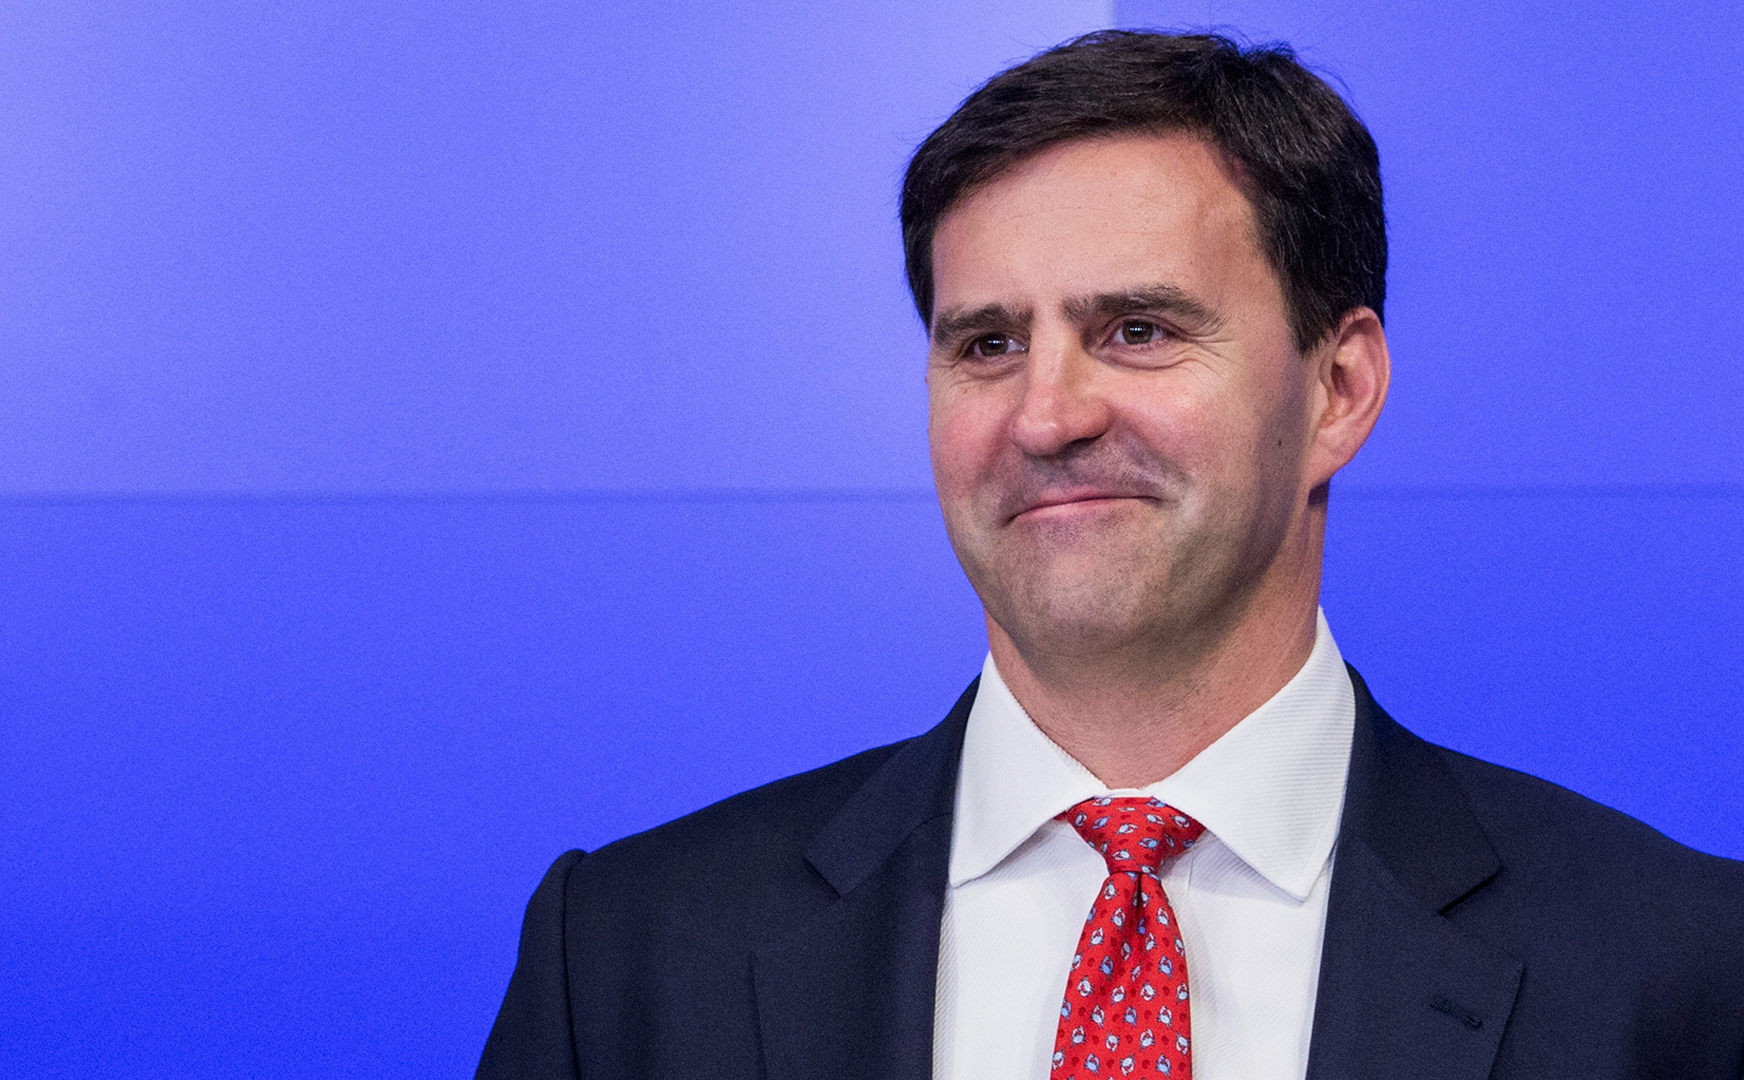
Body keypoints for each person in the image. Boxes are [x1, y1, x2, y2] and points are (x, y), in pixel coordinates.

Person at [477, 30, 1744, 1080]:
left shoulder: (1677, 973)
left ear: (1341, 389)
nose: (1046, 415)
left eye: (1136, 330)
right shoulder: (633, 957)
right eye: (986, 345)